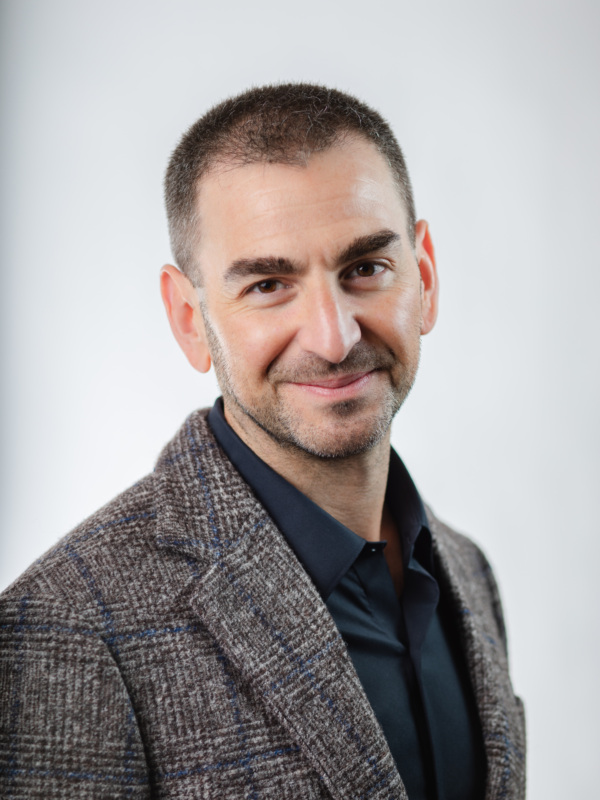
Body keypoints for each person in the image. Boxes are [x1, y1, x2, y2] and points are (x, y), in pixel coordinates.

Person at [0, 84, 525, 799]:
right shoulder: (62, 629)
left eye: (365, 269)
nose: (334, 337)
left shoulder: (468, 573)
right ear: (190, 321)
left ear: (424, 276)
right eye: (270, 285)